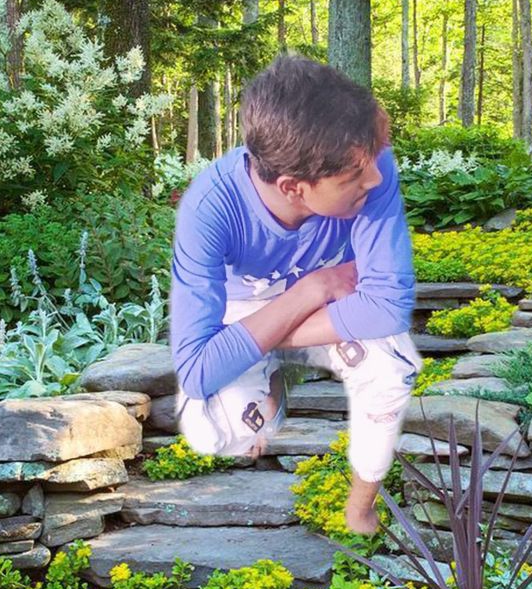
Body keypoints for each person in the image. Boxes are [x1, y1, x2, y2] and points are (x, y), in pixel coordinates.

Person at [170, 54, 423, 535]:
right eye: (352, 178)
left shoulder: (369, 163)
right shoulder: (209, 208)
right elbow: (197, 371)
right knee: (222, 430)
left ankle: (359, 511)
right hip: (260, 305)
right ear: (293, 187)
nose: (374, 179)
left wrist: (256, 339)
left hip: (289, 319)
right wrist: (315, 286)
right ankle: (271, 383)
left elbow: (387, 305)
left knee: (391, 366)